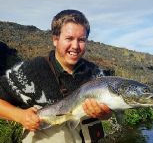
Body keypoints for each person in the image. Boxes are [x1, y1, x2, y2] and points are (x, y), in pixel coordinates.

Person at [0, 9, 112, 143]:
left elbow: (108, 112)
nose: (75, 46)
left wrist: (105, 114)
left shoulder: (96, 74)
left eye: (81, 40)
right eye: (69, 38)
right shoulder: (31, 70)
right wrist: (20, 116)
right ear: (55, 39)